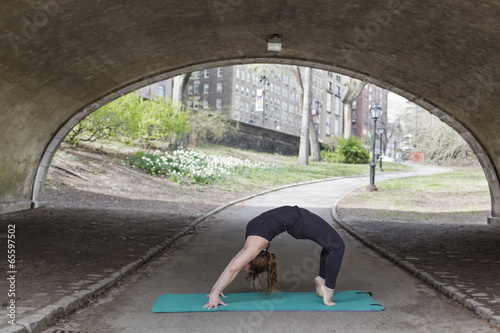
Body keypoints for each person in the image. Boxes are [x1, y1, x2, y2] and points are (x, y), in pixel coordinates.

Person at [203, 205, 345, 309]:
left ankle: (322, 278)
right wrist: (216, 293)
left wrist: (216, 289)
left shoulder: (251, 248)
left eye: (245, 268)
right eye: (245, 268)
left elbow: (232, 266)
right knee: (337, 246)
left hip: (298, 218)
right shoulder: (253, 248)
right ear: (253, 261)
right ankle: (328, 288)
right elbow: (233, 268)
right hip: (299, 221)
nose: (242, 267)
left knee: (331, 246)